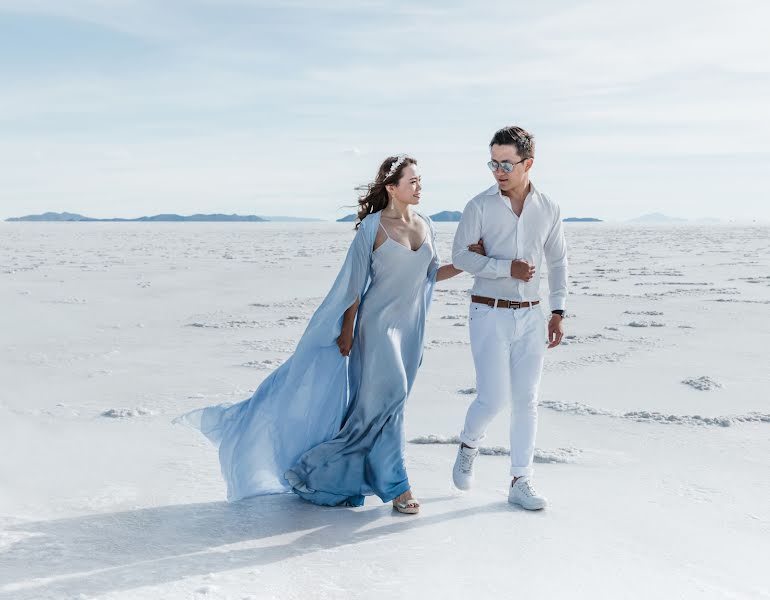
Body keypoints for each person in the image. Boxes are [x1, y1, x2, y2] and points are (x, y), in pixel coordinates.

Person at [176, 154, 483, 515]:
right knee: (390, 401)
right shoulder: (374, 228)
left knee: (375, 412)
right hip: (377, 329)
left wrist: (465, 264)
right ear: (391, 187)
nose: (419, 187)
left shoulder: (427, 224)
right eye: (412, 181)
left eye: (420, 180)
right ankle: (398, 487)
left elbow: (430, 274)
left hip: (412, 329)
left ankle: (318, 472)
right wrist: (347, 330)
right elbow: (353, 285)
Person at [450, 126, 568, 510]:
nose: (498, 171)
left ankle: (521, 479)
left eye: (506, 163)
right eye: (493, 163)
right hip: (488, 312)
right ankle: (469, 444)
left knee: (527, 399)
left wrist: (558, 310)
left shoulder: (548, 208)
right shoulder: (478, 206)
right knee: (493, 397)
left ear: (527, 163)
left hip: (532, 316)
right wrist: (505, 268)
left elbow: (558, 261)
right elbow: (462, 257)